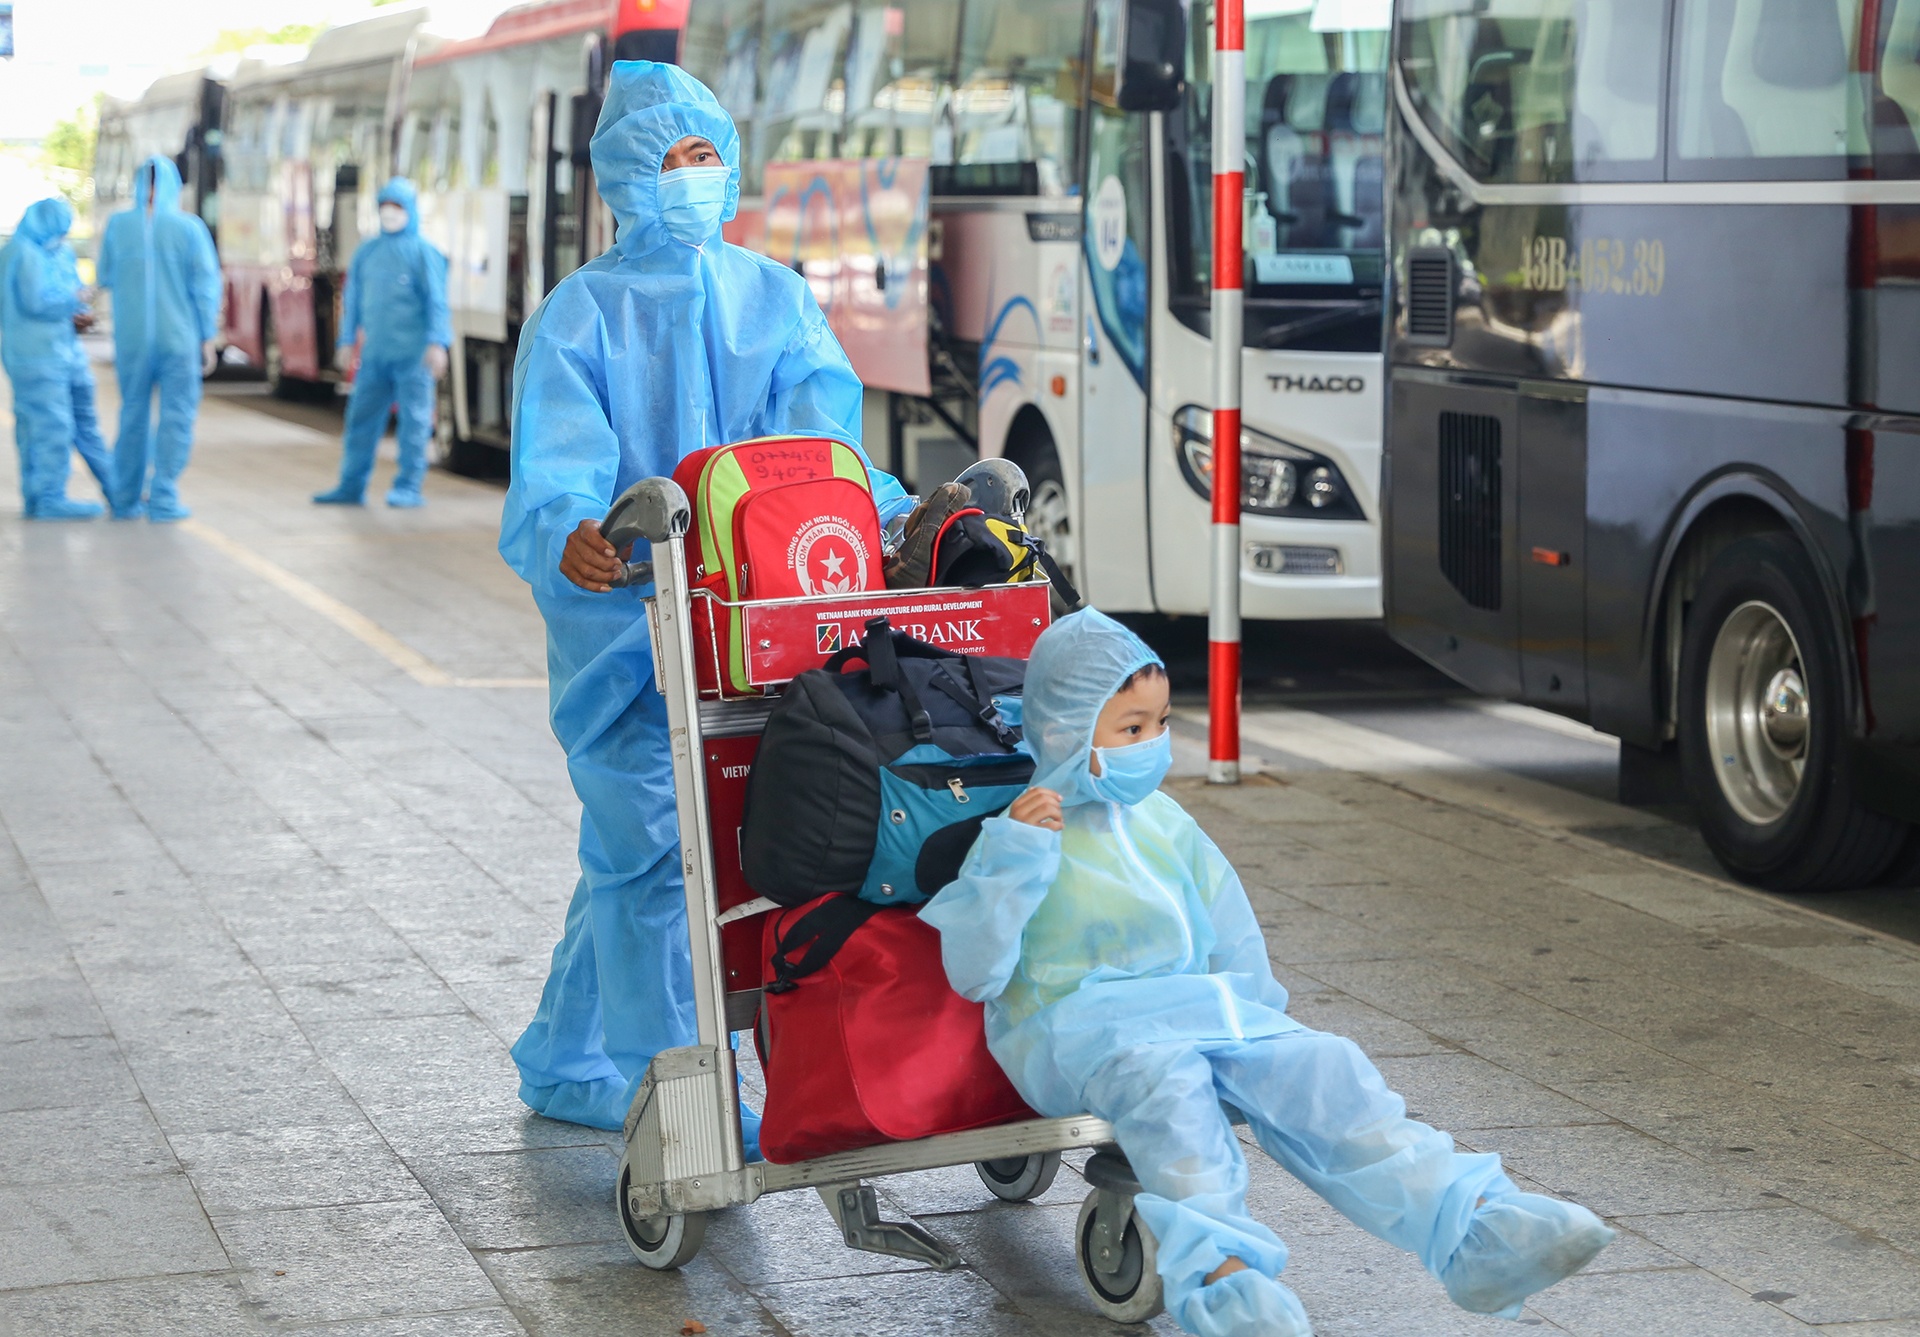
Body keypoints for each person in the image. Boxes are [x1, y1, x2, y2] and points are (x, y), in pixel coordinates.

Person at [920, 609, 1614, 1337]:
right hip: (1075, 1030)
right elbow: (974, 969)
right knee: (1171, 1095)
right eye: (1131, 729)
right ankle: (1224, 1284)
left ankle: (1476, 1231)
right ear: (1065, 733)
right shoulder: (1019, 835)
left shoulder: (1166, 821)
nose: (1153, 744)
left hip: (1199, 1011)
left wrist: (1263, 1029)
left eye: (1159, 723)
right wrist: (1019, 857)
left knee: (1323, 1065)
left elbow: (1230, 929)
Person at [498, 61, 911, 1136]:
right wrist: (571, 537)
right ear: (627, 176)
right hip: (628, 631)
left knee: (668, 849)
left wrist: (902, 514)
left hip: (756, 619)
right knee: (646, 840)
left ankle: (562, 1051)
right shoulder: (579, 316)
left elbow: (827, 450)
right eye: (673, 157)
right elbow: (556, 474)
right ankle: (675, 1088)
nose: (694, 175)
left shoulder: (776, 297)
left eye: (708, 154)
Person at [96, 154, 220, 522]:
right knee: (176, 416)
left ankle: (124, 497)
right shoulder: (189, 228)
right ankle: (164, 496)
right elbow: (205, 287)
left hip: (133, 340)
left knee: (133, 413)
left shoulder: (118, 226)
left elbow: (105, 275)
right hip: (178, 339)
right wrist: (207, 338)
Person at [314, 177, 451, 508]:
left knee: (414, 423)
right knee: (360, 419)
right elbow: (353, 300)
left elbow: (437, 301)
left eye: (397, 206)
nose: (390, 213)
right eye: (385, 205)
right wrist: (346, 341)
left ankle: (408, 486)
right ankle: (351, 485)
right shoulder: (367, 253)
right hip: (375, 356)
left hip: (413, 356)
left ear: (411, 210)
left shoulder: (424, 254)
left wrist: (438, 342)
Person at [0, 197, 112, 518]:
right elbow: (37, 302)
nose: (61, 238)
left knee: (42, 426)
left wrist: (79, 309)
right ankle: (50, 498)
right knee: (52, 428)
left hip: (52, 353)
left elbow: (65, 293)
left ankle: (39, 496)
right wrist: (73, 302)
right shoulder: (23, 254)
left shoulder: (50, 253)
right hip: (38, 356)